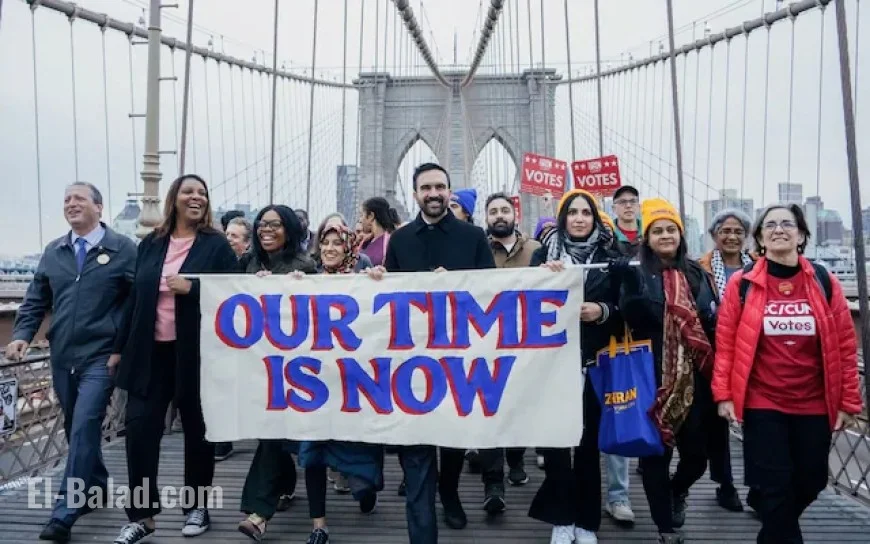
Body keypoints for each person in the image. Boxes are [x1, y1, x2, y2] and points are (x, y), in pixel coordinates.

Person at [713, 203, 862, 544]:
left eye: (788, 224)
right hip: (762, 402)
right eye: (770, 225)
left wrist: (848, 402)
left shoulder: (824, 281)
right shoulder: (742, 285)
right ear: (761, 239)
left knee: (812, 481)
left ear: (802, 235)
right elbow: (727, 343)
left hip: (814, 402)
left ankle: (771, 525)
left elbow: (843, 344)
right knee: (776, 487)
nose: (779, 229)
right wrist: (723, 395)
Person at [111, 175, 238, 544]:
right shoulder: (151, 243)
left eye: (202, 192)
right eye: (188, 191)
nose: (195, 197)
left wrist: (194, 287)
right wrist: (119, 349)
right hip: (150, 354)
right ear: (174, 198)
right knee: (139, 432)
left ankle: (196, 506)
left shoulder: (216, 246)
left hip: (196, 355)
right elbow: (135, 300)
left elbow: (233, 295)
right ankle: (141, 517)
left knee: (198, 432)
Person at [7, 182, 136, 543]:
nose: (71, 204)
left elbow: (137, 304)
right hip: (63, 355)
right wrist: (21, 335)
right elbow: (35, 300)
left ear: (99, 206)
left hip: (102, 356)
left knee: (84, 425)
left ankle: (65, 512)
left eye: (79, 198)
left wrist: (121, 346)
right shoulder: (55, 251)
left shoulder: (124, 249)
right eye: (66, 200)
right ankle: (97, 483)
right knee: (73, 426)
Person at [384, 163, 495, 541]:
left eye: (440, 187)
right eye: (426, 187)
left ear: (449, 192)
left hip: (459, 354)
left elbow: (493, 293)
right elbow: (385, 301)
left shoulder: (474, 236)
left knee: (452, 438)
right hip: (411, 357)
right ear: (414, 194)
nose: (433, 193)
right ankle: (422, 529)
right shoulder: (398, 242)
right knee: (415, 446)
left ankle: (449, 491)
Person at [610, 198, 719, 544]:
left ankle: (678, 490)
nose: (665, 235)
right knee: (656, 456)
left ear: (680, 234)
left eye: (670, 229)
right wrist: (628, 286)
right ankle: (664, 528)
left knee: (697, 457)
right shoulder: (636, 272)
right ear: (647, 238)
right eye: (657, 231)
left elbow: (710, 319)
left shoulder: (697, 273)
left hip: (695, 380)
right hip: (650, 376)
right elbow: (632, 315)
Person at [527, 189, 622, 544]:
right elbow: (525, 307)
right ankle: (561, 519)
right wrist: (544, 279)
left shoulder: (612, 259)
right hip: (552, 367)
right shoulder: (542, 256)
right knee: (554, 448)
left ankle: (586, 522)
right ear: (563, 217)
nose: (579, 218)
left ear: (595, 219)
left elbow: (625, 307)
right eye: (573, 212)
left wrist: (603, 311)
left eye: (586, 212)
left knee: (586, 448)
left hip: (593, 364)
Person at [296, 223, 387, 544]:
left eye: (338, 243)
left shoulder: (365, 281)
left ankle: (366, 486)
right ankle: (318, 526)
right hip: (315, 383)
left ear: (350, 247)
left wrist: (378, 282)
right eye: (325, 242)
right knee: (313, 452)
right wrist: (273, 286)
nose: (331, 248)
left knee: (360, 450)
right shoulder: (304, 279)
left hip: (354, 383)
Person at [237, 205, 318, 541]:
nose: (265, 230)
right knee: (269, 431)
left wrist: (292, 288)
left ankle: (259, 512)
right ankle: (284, 483)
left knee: (272, 432)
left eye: (274, 224)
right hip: (256, 362)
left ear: (289, 230)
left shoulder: (305, 268)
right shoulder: (247, 264)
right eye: (261, 224)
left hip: (292, 367)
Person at [472, 192, 541, 502]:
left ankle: (515, 457)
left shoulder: (538, 250)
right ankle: (492, 484)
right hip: (487, 344)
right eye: (493, 211)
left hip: (527, 344)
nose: (499, 216)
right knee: (489, 412)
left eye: (504, 210)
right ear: (486, 218)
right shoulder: (477, 250)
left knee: (520, 407)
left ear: (516, 214)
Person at [698, 208, 756, 512]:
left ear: (746, 236)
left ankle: (759, 487)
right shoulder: (698, 269)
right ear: (714, 235)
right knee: (717, 423)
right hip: (714, 355)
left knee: (758, 423)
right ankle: (726, 484)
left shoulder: (761, 268)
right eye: (725, 231)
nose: (732, 236)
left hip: (754, 357)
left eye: (738, 231)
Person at [359, 196, 399, 266]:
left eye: (361, 215)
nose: (360, 220)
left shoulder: (390, 242)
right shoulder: (365, 242)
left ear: (371, 216)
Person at [612, 185, 642, 256]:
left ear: (639, 207)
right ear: (614, 208)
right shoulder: (607, 235)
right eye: (622, 202)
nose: (628, 205)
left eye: (633, 201)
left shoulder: (649, 232)